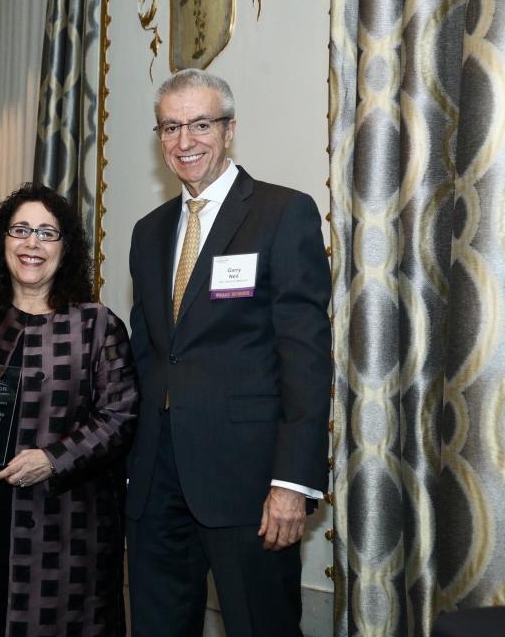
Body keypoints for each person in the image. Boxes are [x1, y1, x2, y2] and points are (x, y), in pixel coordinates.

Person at [126, 69, 332, 636]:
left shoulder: (282, 214)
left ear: (230, 129)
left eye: (200, 124)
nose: (185, 141)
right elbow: (148, 357)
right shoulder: (148, 232)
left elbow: (306, 357)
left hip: (248, 483)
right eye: (171, 127)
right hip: (156, 482)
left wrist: (292, 481)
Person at [0, 183, 138, 636]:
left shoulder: (95, 325)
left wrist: (52, 460)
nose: (31, 243)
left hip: (67, 534)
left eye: (46, 233)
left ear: (65, 248)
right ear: (3, 242)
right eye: (20, 230)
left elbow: (120, 415)